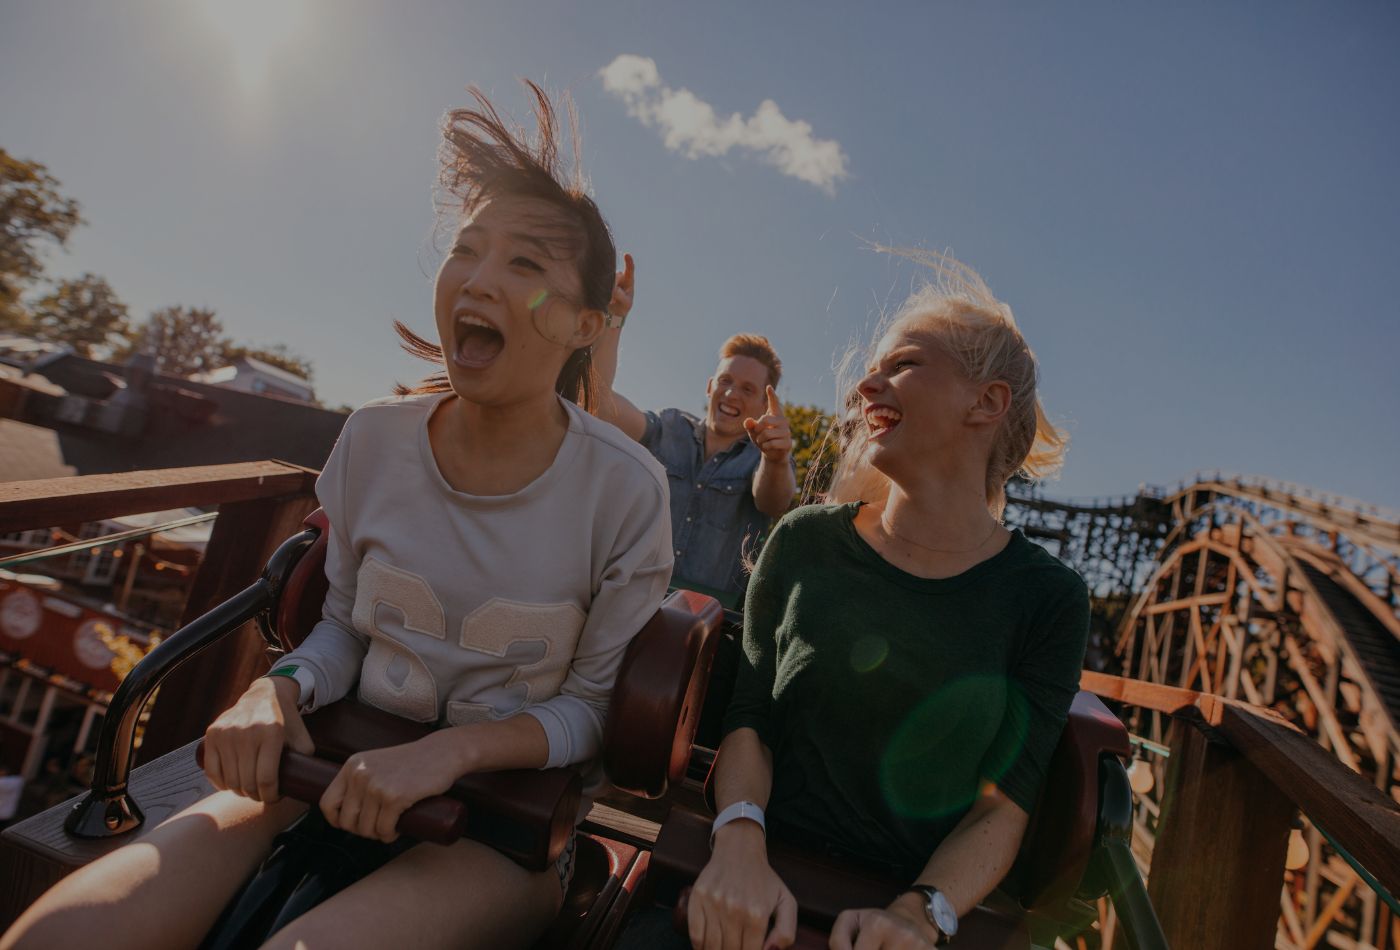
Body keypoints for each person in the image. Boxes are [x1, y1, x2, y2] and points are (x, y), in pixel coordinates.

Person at [2, 82, 672, 950]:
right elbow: (347, 631)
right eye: (467, 249)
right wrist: (271, 690)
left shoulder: (625, 489)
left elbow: (590, 714)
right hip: (327, 765)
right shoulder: (373, 439)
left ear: (586, 323)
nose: (477, 278)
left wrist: (452, 752)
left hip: (501, 829)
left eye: (525, 265)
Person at [677, 250, 1089, 950]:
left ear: (986, 403)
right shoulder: (805, 541)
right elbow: (751, 719)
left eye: (901, 365)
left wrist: (920, 914)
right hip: (751, 881)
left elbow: (1003, 805)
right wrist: (739, 844)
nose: (867, 383)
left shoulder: (1048, 598)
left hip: (901, 917)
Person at [593, 262, 796, 605]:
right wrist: (613, 319)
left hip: (707, 626)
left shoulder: (762, 459)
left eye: (747, 389)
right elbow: (599, 404)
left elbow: (774, 501)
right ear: (709, 386)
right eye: (726, 381)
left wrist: (776, 459)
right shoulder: (670, 426)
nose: (732, 394)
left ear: (764, 404)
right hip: (624, 601)